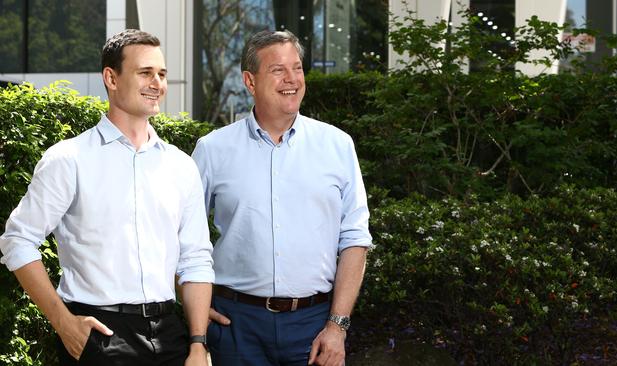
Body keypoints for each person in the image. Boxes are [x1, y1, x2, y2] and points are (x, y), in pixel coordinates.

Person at [0, 29, 214, 366]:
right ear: (110, 78)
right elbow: (17, 240)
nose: (156, 82)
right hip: (98, 336)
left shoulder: (180, 166)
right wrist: (62, 322)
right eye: (145, 72)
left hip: (171, 336)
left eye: (161, 74)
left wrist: (198, 344)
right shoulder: (69, 159)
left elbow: (196, 259)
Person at [191, 30, 373, 366]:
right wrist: (194, 312)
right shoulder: (212, 150)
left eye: (298, 68)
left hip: (314, 325)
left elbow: (355, 239)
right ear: (250, 80)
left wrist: (338, 326)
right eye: (278, 70)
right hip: (235, 325)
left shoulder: (338, 146)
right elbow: (182, 235)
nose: (292, 79)